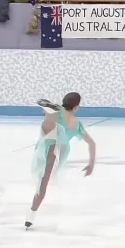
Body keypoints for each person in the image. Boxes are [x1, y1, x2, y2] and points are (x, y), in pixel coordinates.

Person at [25, 92, 96, 229]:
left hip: (47, 142)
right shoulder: (77, 124)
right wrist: (91, 165)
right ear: (76, 107)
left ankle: (50, 113)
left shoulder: (61, 114)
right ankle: (30, 216)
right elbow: (92, 144)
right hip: (54, 151)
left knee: (50, 126)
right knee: (42, 186)